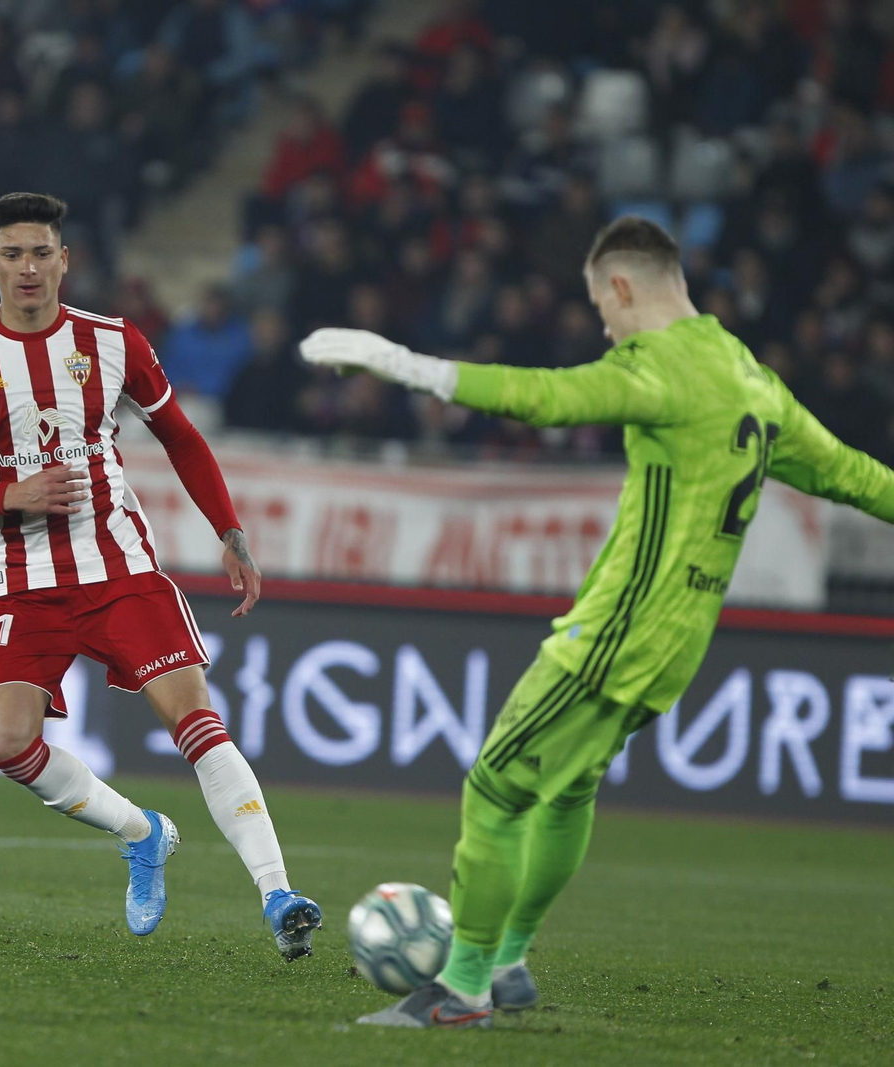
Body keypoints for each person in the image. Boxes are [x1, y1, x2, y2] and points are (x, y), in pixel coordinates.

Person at [301, 216, 894, 1028]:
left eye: (602, 310)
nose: (607, 329)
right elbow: (854, 475)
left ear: (621, 287)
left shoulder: (663, 367)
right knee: (568, 786)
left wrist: (405, 365)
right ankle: (508, 963)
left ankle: (463, 987)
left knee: (494, 786)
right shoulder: (751, 378)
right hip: (680, 639)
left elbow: (547, 397)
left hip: (618, 632)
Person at [0, 192, 322, 957]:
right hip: (17, 579)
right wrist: (12, 494)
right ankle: (141, 832)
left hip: (117, 565)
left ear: (64, 260)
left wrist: (230, 531)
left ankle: (277, 892)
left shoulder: (112, 341)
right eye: (13, 254)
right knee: (9, 743)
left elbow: (181, 436)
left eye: (41, 252)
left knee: (196, 719)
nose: (28, 268)